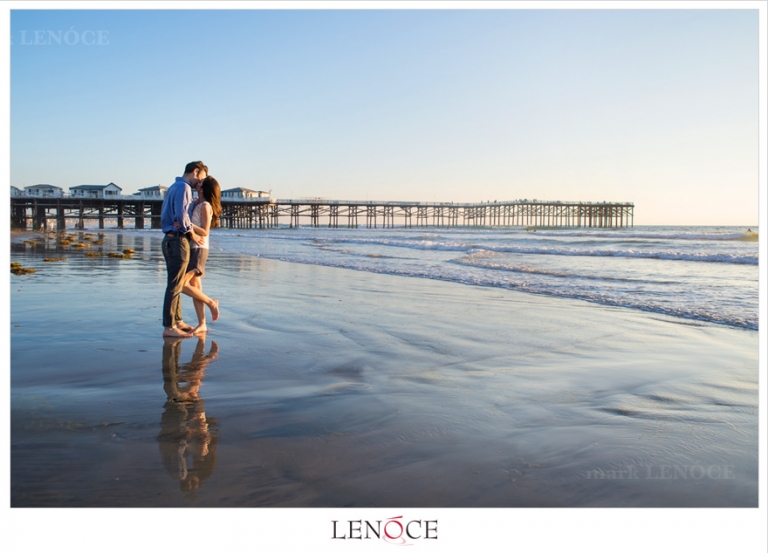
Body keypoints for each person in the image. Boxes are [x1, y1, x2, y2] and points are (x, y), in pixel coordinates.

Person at [161, 161, 207, 338]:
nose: (201, 182)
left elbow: (172, 213)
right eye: (201, 178)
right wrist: (191, 233)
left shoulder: (174, 186)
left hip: (169, 238)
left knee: (176, 282)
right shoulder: (184, 187)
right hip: (178, 240)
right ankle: (169, 326)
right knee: (175, 285)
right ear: (195, 172)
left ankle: (177, 320)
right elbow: (181, 215)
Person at [180, 176, 222, 334]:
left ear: (205, 189)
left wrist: (188, 226)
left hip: (199, 248)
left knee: (181, 285)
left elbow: (205, 231)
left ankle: (211, 302)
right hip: (192, 247)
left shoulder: (205, 206)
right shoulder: (196, 201)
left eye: (201, 183)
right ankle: (202, 324)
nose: (198, 184)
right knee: (196, 287)